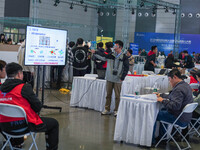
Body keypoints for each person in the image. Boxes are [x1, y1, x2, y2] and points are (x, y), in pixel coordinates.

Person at [0, 63, 59, 150]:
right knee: (54, 123)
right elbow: (38, 107)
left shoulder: (1, 88)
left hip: (4, 126)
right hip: (23, 126)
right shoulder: (24, 87)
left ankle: (15, 143)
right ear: (19, 74)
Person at [152, 69, 193, 143]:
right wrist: (161, 95)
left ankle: (152, 140)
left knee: (154, 114)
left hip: (179, 118)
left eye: (169, 79)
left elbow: (175, 106)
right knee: (163, 111)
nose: (169, 82)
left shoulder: (178, 89)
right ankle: (163, 138)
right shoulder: (185, 85)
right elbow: (172, 96)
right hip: (186, 118)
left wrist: (162, 100)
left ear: (174, 77)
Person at [91, 40, 129, 116]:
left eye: (116, 45)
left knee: (117, 96)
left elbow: (126, 68)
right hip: (109, 78)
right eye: (114, 45)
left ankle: (116, 110)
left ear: (120, 47)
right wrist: (95, 53)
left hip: (118, 79)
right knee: (108, 95)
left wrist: (123, 76)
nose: (114, 47)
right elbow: (103, 57)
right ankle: (107, 109)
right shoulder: (111, 55)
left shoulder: (124, 57)